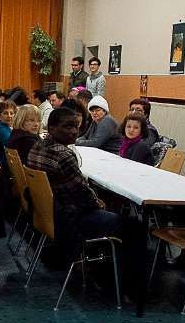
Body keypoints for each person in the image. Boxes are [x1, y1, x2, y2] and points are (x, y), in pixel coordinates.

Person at [26, 106, 145, 302]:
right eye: (67, 127)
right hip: (69, 219)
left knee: (112, 211)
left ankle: (102, 271)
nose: (74, 131)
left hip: (48, 215)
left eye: (76, 126)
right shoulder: (63, 155)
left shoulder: (37, 147)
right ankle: (131, 289)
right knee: (134, 226)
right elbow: (83, 194)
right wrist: (99, 203)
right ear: (52, 128)